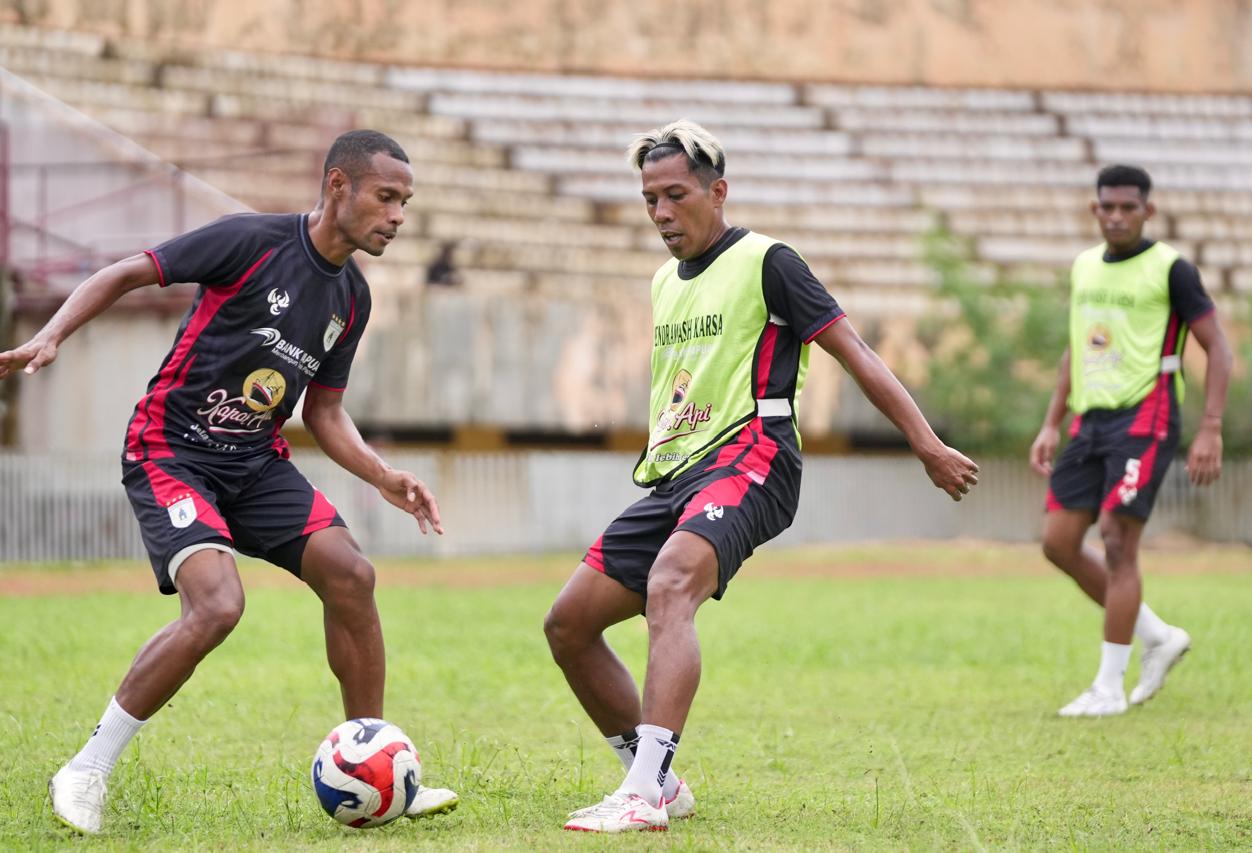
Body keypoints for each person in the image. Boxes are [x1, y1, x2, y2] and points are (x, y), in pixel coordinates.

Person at [0, 130, 460, 833]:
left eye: (405, 202)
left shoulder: (351, 298)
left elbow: (325, 411)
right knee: (217, 605)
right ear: (338, 185)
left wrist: (382, 474)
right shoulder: (250, 242)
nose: (398, 215)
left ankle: (373, 761)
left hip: (254, 463)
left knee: (352, 574)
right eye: (386, 197)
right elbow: (127, 271)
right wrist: (53, 333)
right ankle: (87, 765)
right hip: (170, 451)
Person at [543, 120, 980, 833]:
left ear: (718, 191)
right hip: (679, 473)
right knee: (568, 623)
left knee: (672, 581)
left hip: (755, 454)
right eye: (649, 198)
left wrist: (925, 442)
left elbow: (855, 350)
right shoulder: (663, 282)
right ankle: (654, 778)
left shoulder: (769, 261)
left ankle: (644, 791)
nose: (659, 213)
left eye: (674, 195)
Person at [1030, 164, 1233, 718]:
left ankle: (1107, 688)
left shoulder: (1172, 270)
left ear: (1148, 210)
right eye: (1107, 206)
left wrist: (1210, 427)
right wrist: (1052, 421)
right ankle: (1159, 636)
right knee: (1058, 543)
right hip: (1088, 422)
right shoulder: (1084, 267)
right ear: (1095, 210)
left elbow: (1218, 347)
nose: (1116, 215)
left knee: (1118, 541)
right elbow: (1077, 347)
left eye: (1127, 206)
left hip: (1147, 415)